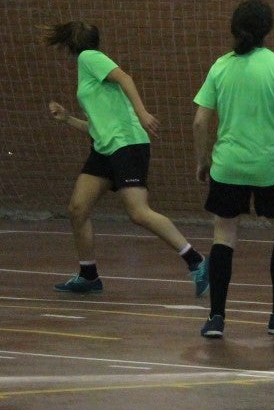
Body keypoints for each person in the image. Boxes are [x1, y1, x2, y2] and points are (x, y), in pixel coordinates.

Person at [42, 21, 207, 297]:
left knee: (138, 212)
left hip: (127, 145)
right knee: (77, 209)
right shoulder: (88, 67)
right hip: (104, 147)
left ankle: (197, 261)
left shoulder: (89, 57)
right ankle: (88, 275)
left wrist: (142, 114)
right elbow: (98, 126)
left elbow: (125, 78)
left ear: (71, 42)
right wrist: (68, 118)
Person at [192, 0, 274, 338]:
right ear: (267, 29)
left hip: (228, 167)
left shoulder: (220, 67)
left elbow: (200, 121)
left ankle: (216, 318)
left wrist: (203, 160)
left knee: (224, 236)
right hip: (272, 167)